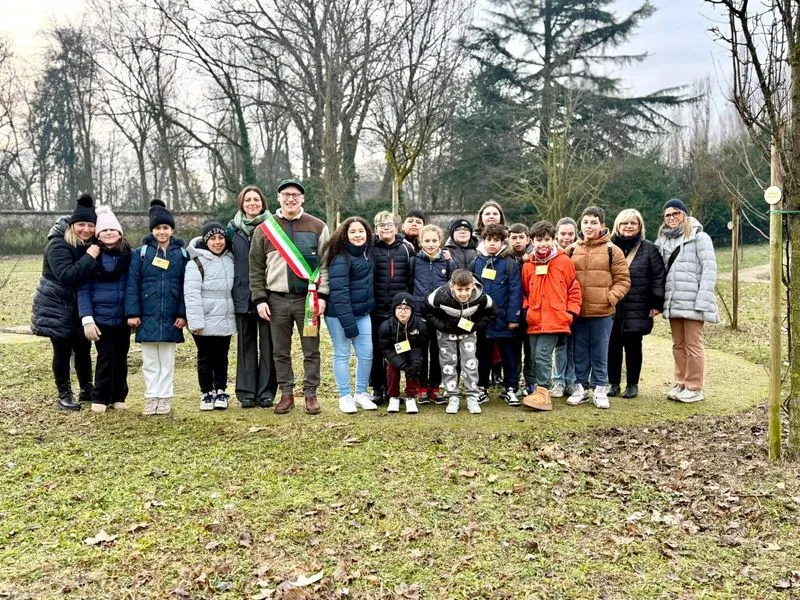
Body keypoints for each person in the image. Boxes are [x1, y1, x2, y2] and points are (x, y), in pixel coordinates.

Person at [249, 178, 330, 415]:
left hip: (309, 300)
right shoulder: (264, 229)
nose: (291, 198)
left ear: (302, 198)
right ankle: (286, 394)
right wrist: (260, 299)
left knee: (311, 350)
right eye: (286, 194)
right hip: (276, 300)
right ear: (278, 198)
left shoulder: (318, 226)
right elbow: (255, 268)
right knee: (280, 351)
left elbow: (325, 264)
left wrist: (323, 295)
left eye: (295, 194)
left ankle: (310, 394)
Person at [31, 193, 100, 411]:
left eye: (91, 225)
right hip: (56, 305)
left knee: (83, 347)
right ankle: (64, 395)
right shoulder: (58, 244)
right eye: (81, 224)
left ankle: (87, 389)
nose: (86, 229)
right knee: (62, 350)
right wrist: (90, 256)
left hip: (78, 304)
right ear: (72, 225)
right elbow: (68, 275)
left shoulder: (88, 243)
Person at [125, 199, 188, 416]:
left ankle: (165, 397)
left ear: (172, 230)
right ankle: (152, 397)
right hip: (147, 316)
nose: (162, 232)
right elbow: (132, 284)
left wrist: (182, 313)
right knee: (150, 361)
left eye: (166, 228)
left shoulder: (181, 254)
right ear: (152, 230)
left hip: (171, 316)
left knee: (167, 361)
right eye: (158, 228)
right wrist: (132, 313)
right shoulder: (141, 254)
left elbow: (184, 286)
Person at [566, 206, 631, 409]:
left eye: (593, 222)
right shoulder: (571, 250)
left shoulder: (613, 250)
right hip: (577, 312)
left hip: (603, 312)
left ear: (602, 225)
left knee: (600, 351)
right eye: (585, 222)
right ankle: (581, 389)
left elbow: (623, 280)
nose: (589, 226)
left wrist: (610, 298)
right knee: (579, 352)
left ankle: (600, 388)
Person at [655, 198, 719, 403]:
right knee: (678, 345)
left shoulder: (700, 237)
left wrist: (703, 301)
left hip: (693, 300)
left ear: (684, 214)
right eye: (668, 215)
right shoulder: (663, 240)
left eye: (676, 214)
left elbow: (710, 270)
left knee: (693, 345)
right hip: (674, 301)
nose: (672, 218)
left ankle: (694, 386)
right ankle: (681, 381)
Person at [520, 221, 582, 411]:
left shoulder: (564, 262)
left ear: (553, 239)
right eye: (539, 240)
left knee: (543, 355)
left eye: (547, 239)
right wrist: (527, 309)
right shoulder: (528, 265)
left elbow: (574, 288)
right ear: (532, 240)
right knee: (531, 356)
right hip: (534, 319)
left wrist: (570, 312)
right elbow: (524, 292)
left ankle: (543, 392)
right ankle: (534, 389)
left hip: (556, 319)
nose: (543, 244)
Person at [226, 185, 278, 409]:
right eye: (248, 200)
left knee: (269, 344)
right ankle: (246, 392)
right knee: (245, 344)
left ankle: (266, 391)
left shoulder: (274, 228)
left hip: (268, 294)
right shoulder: (231, 230)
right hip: (240, 294)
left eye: (256, 199)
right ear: (241, 203)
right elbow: (215, 249)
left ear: (263, 203)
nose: (252, 203)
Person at [77, 206, 132, 413]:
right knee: (105, 357)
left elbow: (133, 286)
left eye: (113, 230)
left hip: (123, 318)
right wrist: (87, 319)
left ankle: (118, 395)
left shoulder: (129, 256)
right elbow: (83, 290)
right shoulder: (92, 257)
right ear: (98, 235)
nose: (109, 233)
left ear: (120, 233)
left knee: (121, 357)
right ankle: (100, 396)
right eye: (104, 231)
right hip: (101, 318)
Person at [608, 209, 666, 398]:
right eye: (625, 223)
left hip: (638, 304)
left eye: (633, 223)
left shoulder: (649, 249)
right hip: (613, 304)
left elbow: (658, 277)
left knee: (634, 346)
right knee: (612, 345)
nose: (629, 226)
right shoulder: (608, 247)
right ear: (618, 225)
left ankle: (632, 384)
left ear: (639, 226)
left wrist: (656, 303)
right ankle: (613, 383)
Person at [423, 269, 497, 414]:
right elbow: (426, 311)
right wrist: (442, 326)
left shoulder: (482, 297)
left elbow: (493, 312)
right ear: (452, 287)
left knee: (470, 363)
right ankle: (453, 396)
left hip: (468, 333)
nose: (464, 293)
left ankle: (472, 396)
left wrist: (476, 326)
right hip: (446, 334)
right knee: (448, 364)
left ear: (473, 286)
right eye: (459, 290)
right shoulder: (439, 295)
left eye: (467, 289)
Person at [324, 216, 377, 414]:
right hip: (339, 315)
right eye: (353, 231)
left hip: (362, 312)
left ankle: (361, 393)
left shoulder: (368, 252)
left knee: (366, 354)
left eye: (361, 231)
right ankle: (344, 395)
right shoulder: (340, 257)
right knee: (342, 354)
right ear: (345, 235)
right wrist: (348, 324)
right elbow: (339, 293)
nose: (357, 235)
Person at [185, 221, 237, 411]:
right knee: (205, 357)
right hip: (204, 318)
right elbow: (191, 295)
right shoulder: (196, 263)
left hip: (225, 316)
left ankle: (221, 389)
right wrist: (196, 321)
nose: (217, 242)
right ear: (206, 241)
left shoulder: (230, 259)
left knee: (221, 356)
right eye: (213, 238)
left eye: (221, 238)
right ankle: (206, 392)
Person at [470, 223, 523, 406]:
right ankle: (482, 388)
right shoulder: (476, 262)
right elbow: (471, 291)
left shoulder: (510, 263)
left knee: (509, 357)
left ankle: (510, 389)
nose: (492, 244)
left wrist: (513, 318)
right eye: (488, 240)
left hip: (505, 321)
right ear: (483, 241)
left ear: (502, 242)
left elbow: (516, 291)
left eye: (496, 240)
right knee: (482, 356)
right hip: (483, 320)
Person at [370, 210, 414, 404]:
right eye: (381, 226)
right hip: (376, 308)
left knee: (400, 350)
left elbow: (412, 278)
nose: (385, 229)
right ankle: (378, 388)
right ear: (376, 229)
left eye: (389, 225)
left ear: (396, 228)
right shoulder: (370, 247)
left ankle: (396, 389)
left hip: (399, 312)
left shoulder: (407, 248)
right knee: (376, 352)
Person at [411, 224, 456, 404]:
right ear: (421, 242)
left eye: (434, 240)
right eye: (427, 241)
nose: (430, 244)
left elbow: (453, 289)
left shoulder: (447, 262)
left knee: (438, 352)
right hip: (420, 314)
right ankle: (421, 388)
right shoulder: (414, 261)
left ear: (440, 241)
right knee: (420, 352)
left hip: (439, 315)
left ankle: (435, 388)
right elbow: (409, 285)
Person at [378, 292, 428, 414]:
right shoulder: (386, 326)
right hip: (394, 354)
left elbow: (419, 347)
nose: (403, 311)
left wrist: (415, 363)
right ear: (394, 310)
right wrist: (402, 366)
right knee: (392, 368)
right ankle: (393, 396)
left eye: (407, 308)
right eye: (399, 308)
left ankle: (411, 397)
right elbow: (386, 350)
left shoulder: (420, 325)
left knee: (414, 368)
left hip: (411, 352)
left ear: (412, 310)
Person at [551, 217, 578, 398]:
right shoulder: (550, 254)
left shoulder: (579, 251)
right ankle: (558, 380)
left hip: (575, 304)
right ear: (556, 234)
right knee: (560, 346)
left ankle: (572, 380)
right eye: (563, 234)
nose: (566, 238)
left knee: (575, 346)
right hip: (556, 308)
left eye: (570, 234)